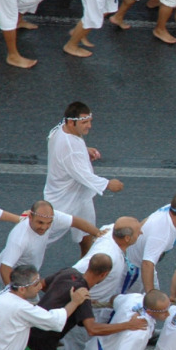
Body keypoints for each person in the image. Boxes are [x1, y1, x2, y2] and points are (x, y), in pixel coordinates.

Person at [17, 255, 148, 350]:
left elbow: (43, 284)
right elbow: (93, 329)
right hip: (43, 345)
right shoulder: (82, 299)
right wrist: (129, 324)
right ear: (104, 275)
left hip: (28, 331)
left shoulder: (68, 272)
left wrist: (59, 301)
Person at [62, 217, 144, 350]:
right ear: (127, 238)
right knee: (76, 345)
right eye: (138, 232)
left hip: (99, 304)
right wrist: (77, 300)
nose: (142, 233)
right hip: (87, 307)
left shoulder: (111, 232)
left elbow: (108, 226)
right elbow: (75, 274)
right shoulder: (108, 254)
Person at [44, 101, 124, 255]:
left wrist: (84, 150)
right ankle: (21, 258)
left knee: (87, 231)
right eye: (84, 122)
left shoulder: (61, 129)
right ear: (71, 122)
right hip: (63, 200)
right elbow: (83, 175)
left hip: (81, 196)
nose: (89, 126)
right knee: (43, 233)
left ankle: (86, 262)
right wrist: (108, 184)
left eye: (89, 121)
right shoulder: (70, 148)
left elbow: (70, 153)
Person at [0, 200, 101, 287]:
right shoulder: (19, 238)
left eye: (48, 223)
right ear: (30, 217)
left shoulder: (50, 216)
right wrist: (13, 293)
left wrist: (98, 233)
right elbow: (4, 268)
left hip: (29, 270)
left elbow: (76, 222)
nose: (44, 227)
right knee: (29, 301)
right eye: (40, 222)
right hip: (14, 273)